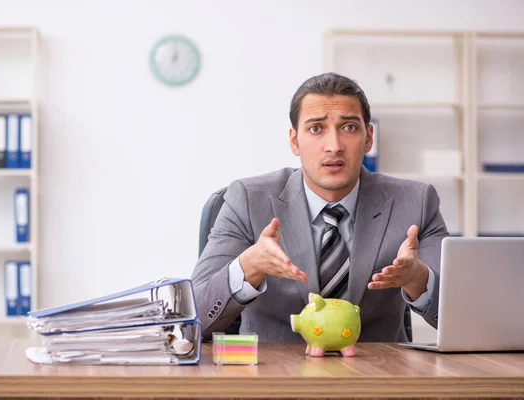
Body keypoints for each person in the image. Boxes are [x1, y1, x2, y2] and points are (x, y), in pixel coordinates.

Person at [191, 72, 448, 346]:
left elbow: (463, 314)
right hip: (274, 378)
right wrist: (248, 267)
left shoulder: (416, 202)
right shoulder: (247, 200)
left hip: (377, 377)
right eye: (316, 128)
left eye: (349, 127)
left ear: (369, 137)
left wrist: (419, 280)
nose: (334, 147)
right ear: (294, 141)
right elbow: (192, 320)